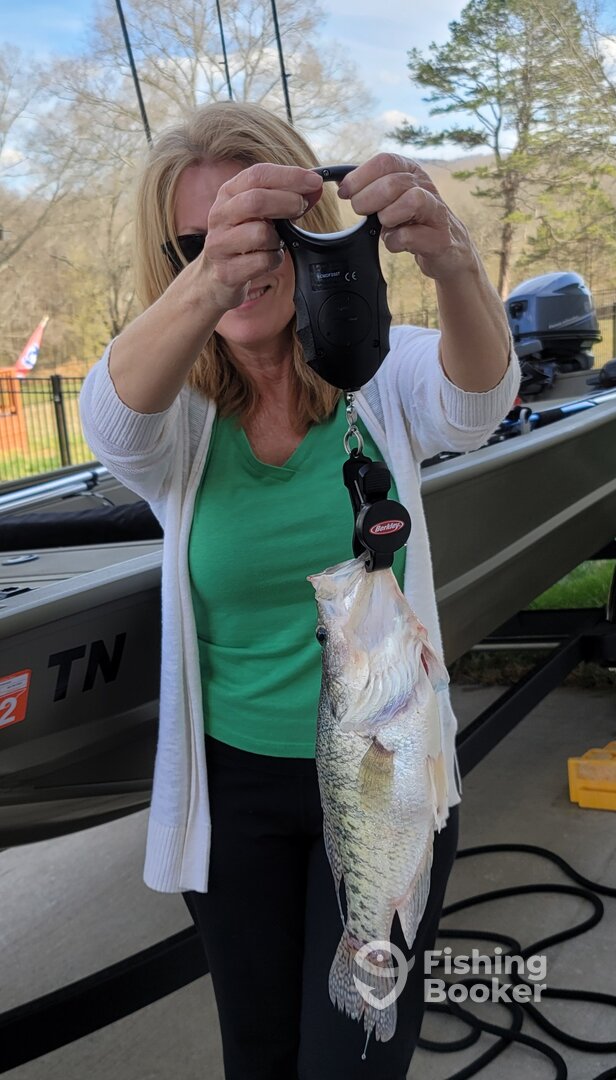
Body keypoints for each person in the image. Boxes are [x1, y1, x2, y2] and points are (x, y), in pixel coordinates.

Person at [79, 100, 521, 1080]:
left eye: (261, 231)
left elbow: (476, 404)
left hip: (389, 776)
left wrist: (452, 259)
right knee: (260, 1053)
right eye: (200, 242)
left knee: (354, 1057)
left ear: (308, 227)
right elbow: (110, 425)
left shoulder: (377, 375)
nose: (241, 260)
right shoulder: (176, 418)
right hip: (233, 794)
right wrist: (211, 278)